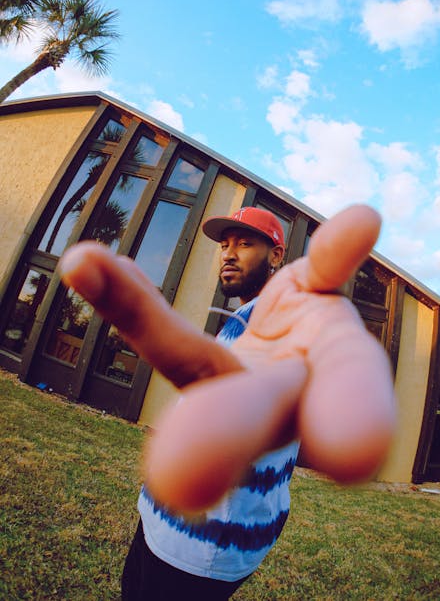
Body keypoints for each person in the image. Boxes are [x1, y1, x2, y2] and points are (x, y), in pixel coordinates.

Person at [58, 204, 395, 600]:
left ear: (276, 255)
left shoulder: (290, 323)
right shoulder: (240, 323)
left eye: (245, 243)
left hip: (204, 547)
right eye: (224, 244)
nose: (229, 253)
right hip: (160, 518)